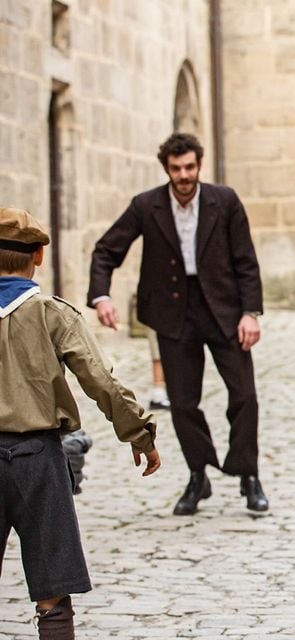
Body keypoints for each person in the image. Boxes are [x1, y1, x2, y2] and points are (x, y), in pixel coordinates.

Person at [0, 207, 161, 640]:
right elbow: (99, 377)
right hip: (38, 460)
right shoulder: (53, 314)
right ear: (38, 256)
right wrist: (138, 432)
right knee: (52, 592)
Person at [88, 132, 268, 515]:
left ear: (199, 164)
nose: (184, 175)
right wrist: (102, 296)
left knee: (245, 396)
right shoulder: (146, 205)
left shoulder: (225, 201)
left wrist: (250, 313)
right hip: (173, 314)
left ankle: (247, 474)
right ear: (166, 169)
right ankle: (198, 474)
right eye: (176, 169)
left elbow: (246, 261)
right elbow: (106, 250)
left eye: (189, 167)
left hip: (223, 309)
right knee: (183, 404)